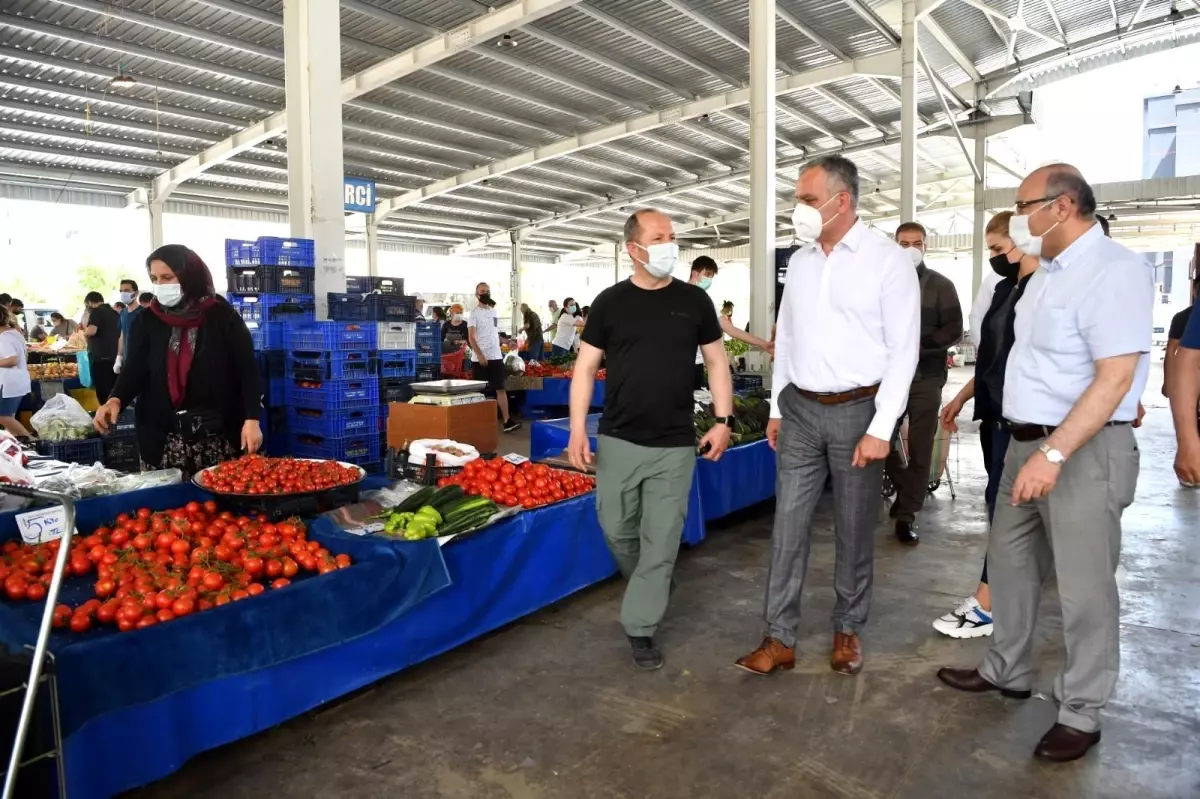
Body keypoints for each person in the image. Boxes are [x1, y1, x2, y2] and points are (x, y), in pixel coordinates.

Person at [937, 164, 1151, 763]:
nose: (1019, 218)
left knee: (1084, 589)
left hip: (1080, 450)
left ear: (1060, 207)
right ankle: (1006, 669)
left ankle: (1081, 711)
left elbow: (1115, 377)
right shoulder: (1044, 276)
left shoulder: (1115, 270)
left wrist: (1056, 452)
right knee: (1009, 564)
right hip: (1025, 443)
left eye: (1025, 205)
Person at [734, 154, 919, 678]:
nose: (800, 209)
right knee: (787, 525)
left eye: (808, 200)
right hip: (800, 411)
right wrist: (775, 407)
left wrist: (882, 427)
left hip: (858, 411)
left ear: (843, 201)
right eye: (798, 199)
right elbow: (785, 337)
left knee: (854, 528)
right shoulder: (803, 260)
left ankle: (848, 628)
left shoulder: (888, 262)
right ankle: (779, 637)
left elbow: (903, 353)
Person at [568, 208, 732, 671]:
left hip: (675, 443)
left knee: (661, 539)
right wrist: (578, 427)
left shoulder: (694, 303)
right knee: (616, 528)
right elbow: (584, 369)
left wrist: (723, 420)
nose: (669, 245)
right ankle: (652, 583)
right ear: (633, 249)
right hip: (618, 439)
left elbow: (718, 363)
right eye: (659, 237)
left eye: (672, 236)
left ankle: (641, 626)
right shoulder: (609, 303)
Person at [934, 211, 1039, 639]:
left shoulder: (1043, 290)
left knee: (1011, 515)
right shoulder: (1003, 292)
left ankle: (990, 602)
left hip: (1030, 425)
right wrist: (961, 397)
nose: (995, 258)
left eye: (998, 249)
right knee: (1003, 512)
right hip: (998, 418)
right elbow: (992, 360)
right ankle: (993, 602)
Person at [93, 245, 262, 478]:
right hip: (162, 437)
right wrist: (116, 398)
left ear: (188, 275)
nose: (161, 285)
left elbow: (247, 371)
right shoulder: (147, 319)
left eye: (167, 277)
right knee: (167, 510)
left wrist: (252, 419)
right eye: (155, 279)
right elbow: (135, 369)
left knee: (218, 507)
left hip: (216, 435)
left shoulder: (222, 316)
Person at [885, 222, 963, 545]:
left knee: (920, 448)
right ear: (895, 245)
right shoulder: (881, 284)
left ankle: (906, 516)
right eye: (904, 243)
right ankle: (907, 491)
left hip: (925, 378)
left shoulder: (941, 286)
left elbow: (955, 330)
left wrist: (919, 344)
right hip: (888, 378)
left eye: (917, 243)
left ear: (926, 246)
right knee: (879, 440)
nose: (911, 248)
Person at [687, 256, 773, 389]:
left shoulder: (705, 301)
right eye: (707, 275)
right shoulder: (678, 297)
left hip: (696, 365)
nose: (709, 280)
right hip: (677, 365)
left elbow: (730, 329)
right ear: (695, 273)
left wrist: (764, 344)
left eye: (711, 276)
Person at [467, 282, 520, 434]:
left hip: (496, 356)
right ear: (477, 295)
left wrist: (506, 342)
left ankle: (507, 421)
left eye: (488, 291)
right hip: (480, 359)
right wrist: (480, 355)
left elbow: (494, 333)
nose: (486, 294)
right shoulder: (473, 314)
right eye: (483, 291)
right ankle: (478, 423)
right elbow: (471, 337)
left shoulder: (494, 312)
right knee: (480, 391)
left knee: (501, 388)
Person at [83, 290, 120, 404]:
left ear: (89, 302)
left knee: (103, 390)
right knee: (113, 389)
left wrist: (84, 333)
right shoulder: (114, 312)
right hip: (114, 356)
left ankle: (105, 415)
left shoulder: (97, 312)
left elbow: (91, 331)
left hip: (101, 357)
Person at [0, 310, 32, 440]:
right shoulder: (14, 333)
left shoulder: (4, 337)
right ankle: (19, 446)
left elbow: (12, 360)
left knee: (3, 416)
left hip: (10, 383)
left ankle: (32, 441)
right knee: (9, 419)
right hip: (17, 381)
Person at [1163, 276, 1196, 399]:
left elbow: (1171, 350)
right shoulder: (1182, 318)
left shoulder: (1182, 317)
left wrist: (1168, 383)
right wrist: (1168, 382)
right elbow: (1171, 350)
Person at [116, 278, 142, 376]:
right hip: (126, 361)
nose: (123, 294)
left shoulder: (143, 313)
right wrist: (119, 357)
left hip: (140, 361)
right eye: (121, 291)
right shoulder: (123, 313)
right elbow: (122, 336)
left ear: (135, 293)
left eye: (126, 291)